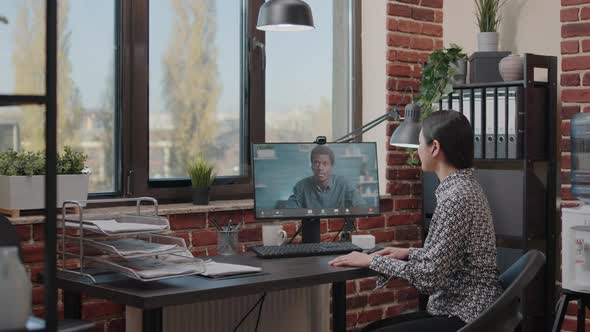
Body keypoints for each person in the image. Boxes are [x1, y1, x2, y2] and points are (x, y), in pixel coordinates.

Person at [328, 111, 503, 332]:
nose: (418, 150)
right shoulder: (464, 187)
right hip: (465, 308)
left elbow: (429, 277)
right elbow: (447, 256)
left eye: (420, 143)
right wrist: (409, 252)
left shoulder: (456, 197)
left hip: (466, 315)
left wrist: (371, 261)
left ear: (435, 148)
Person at [285, 145, 365, 209]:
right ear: (311, 166)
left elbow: (361, 207)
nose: (320, 168)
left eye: (325, 163)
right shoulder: (301, 186)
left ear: (331, 166)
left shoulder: (344, 184)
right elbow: (289, 211)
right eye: (316, 163)